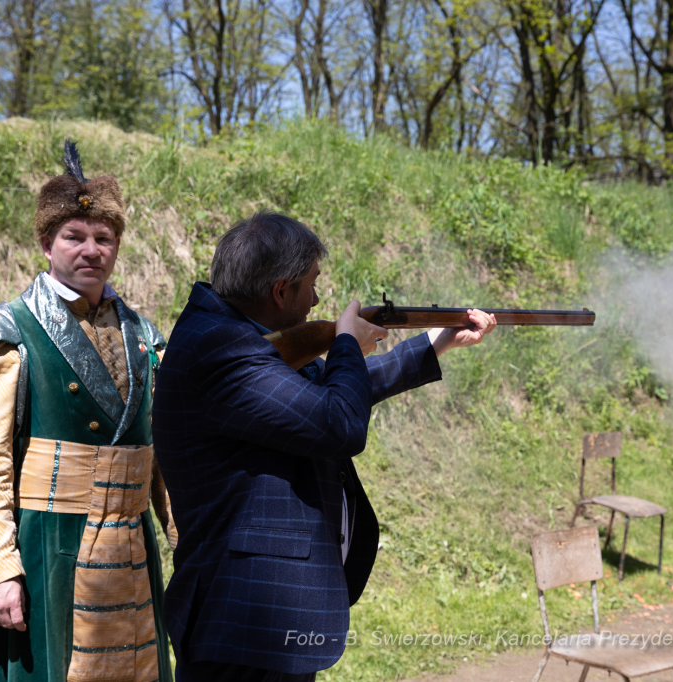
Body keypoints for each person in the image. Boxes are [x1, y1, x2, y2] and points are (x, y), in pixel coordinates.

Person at [152, 213, 496, 681]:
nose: (316, 298)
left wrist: (434, 345)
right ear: (280, 290)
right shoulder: (224, 349)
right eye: (312, 285)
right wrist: (347, 344)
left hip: (257, 622)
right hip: (243, 623)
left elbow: (325, 392)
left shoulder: (231, 336)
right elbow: (340, 422)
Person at [0, 141, 176, 682]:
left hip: (132, 546)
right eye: (74, 237)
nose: (91, 249)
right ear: (47, 245)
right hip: (48, 549)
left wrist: (182, 537)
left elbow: (163, 453)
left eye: (104, 238)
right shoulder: (4, 334)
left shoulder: (145, 336)